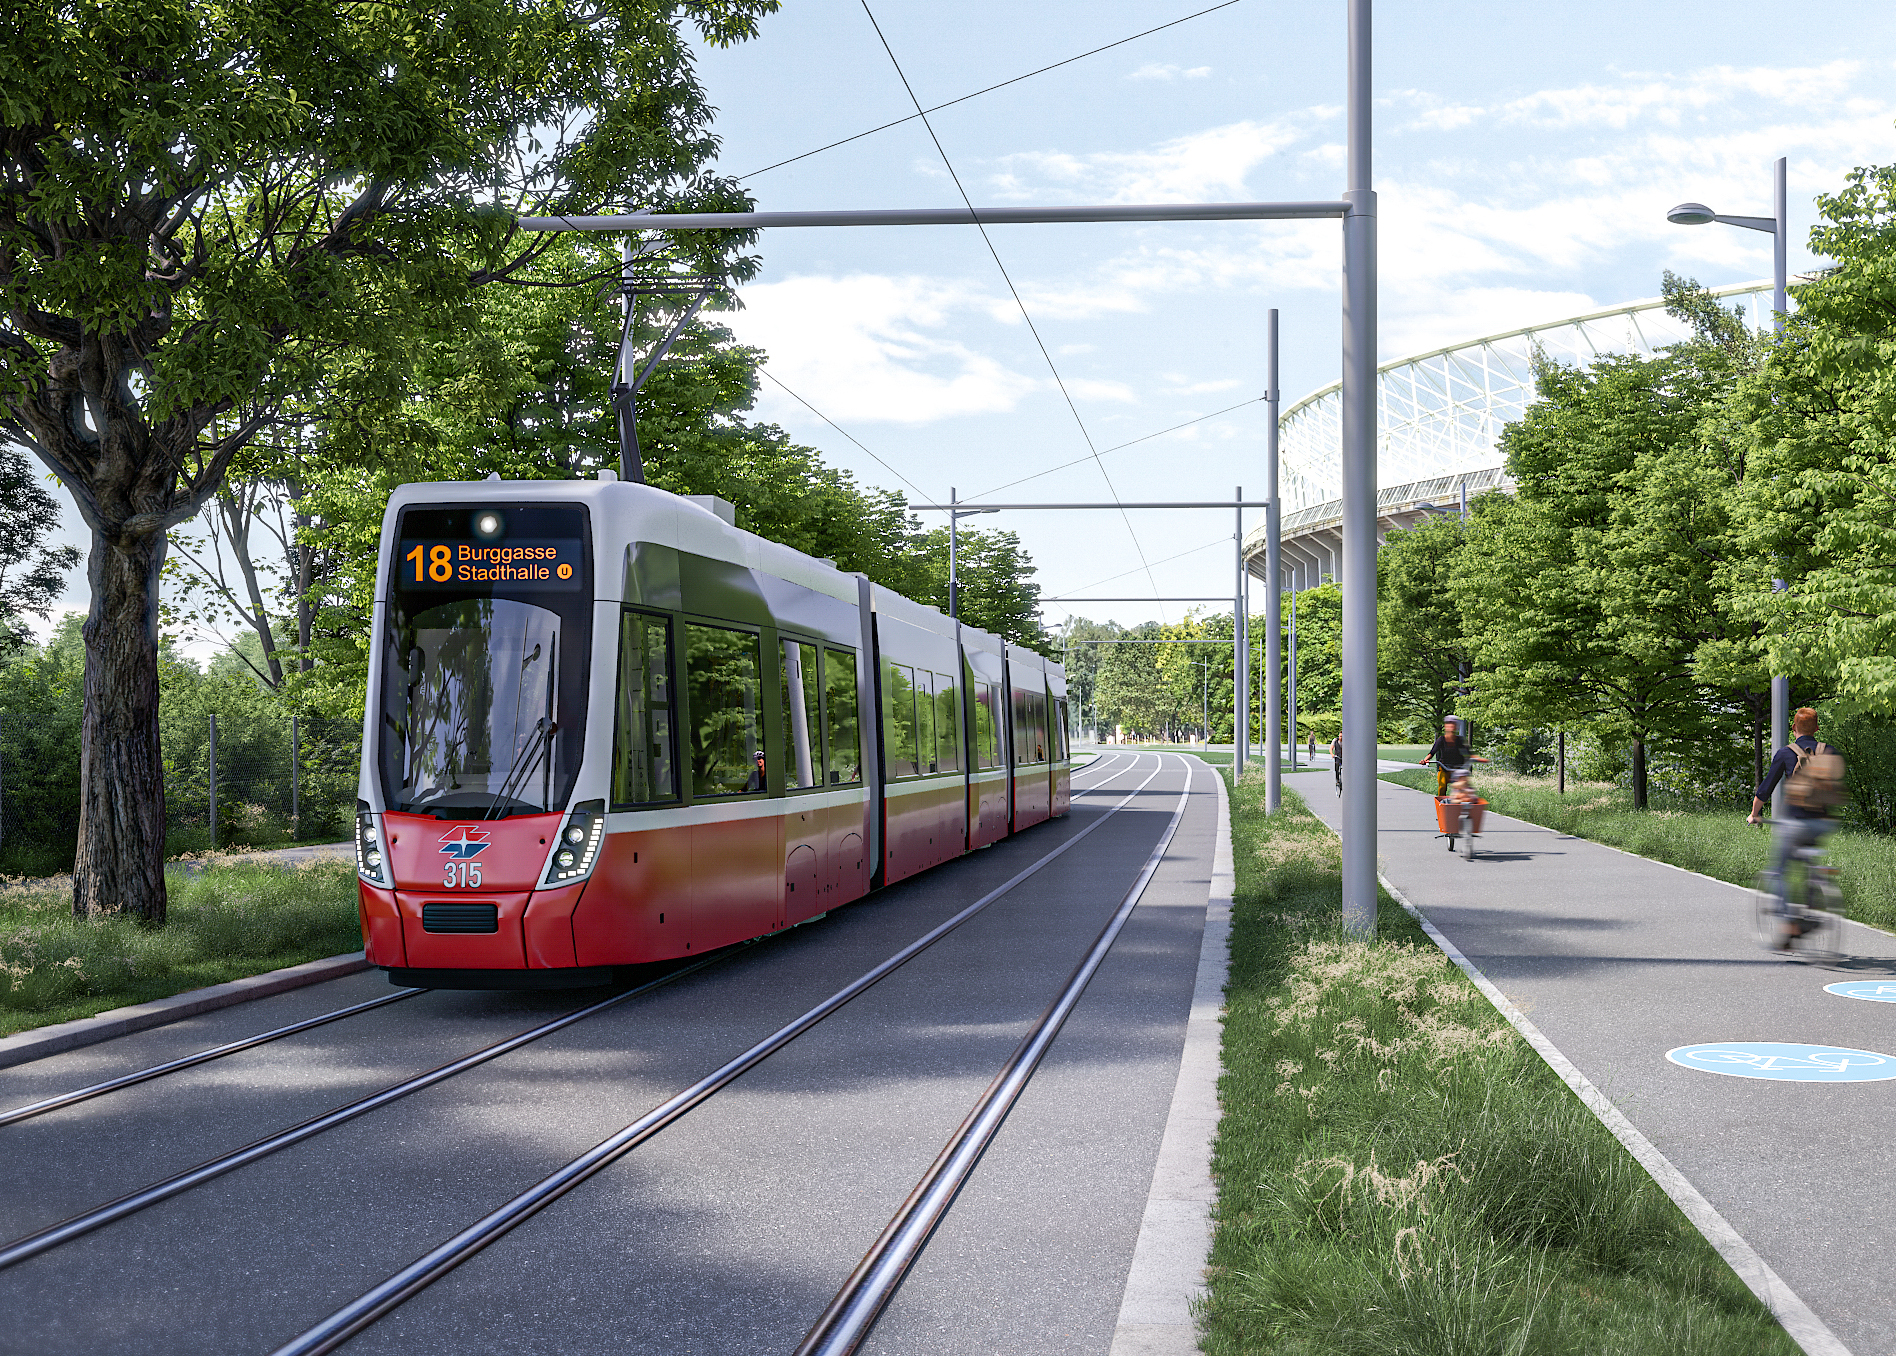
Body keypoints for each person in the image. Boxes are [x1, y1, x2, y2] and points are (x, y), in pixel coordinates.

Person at [1748, 708, 1844, 951]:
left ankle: (1790, 922)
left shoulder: (1786, 753)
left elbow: (1765, 789)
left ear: (1794, 728)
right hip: (1823, 823)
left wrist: (1754, 814)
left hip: (1795, 822)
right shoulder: (1830, 751)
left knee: (1778, 871)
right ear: (1817, 728)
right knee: (1811, 864)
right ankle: (1812, 905)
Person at [1420, 717, 1473, 797]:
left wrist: (1475, 758)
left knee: (1463, 788)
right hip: (1444, 768)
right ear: (1446, 727)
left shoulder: (1460, 740)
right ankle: (1442, 802)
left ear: (1456, 727)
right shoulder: (1441, 739)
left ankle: (1462, 802)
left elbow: (1468, 753)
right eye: (1449, 725)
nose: (1451, 727)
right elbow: (1432, 752)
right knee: (1442, 786)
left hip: (1457, 769)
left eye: (1453, 725)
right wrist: (1424, 760)